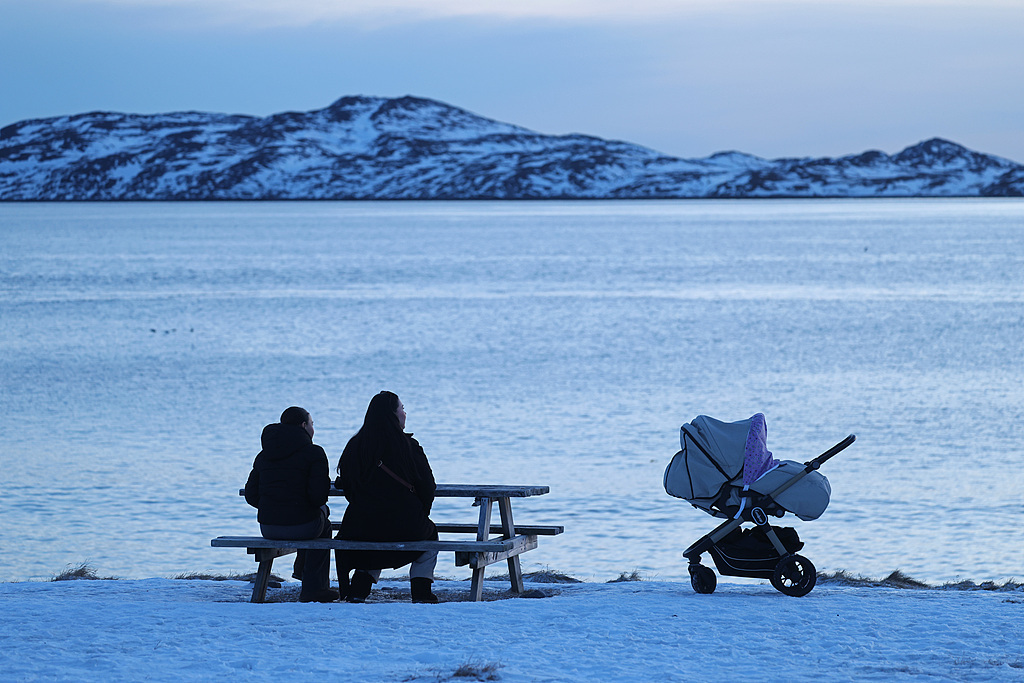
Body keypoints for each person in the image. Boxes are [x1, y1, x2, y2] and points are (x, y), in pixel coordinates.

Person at [336, 391, 439, 603]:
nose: (405, 413)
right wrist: (420, 512)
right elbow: (428, 487)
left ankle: (358, 591)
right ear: (393, 415)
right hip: (406, 524)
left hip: (360, 526)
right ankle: (421, 592)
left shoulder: (355, 446)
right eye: (402, 409)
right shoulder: (408, 446)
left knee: (373, 543)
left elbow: (349, 488)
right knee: (430, 538)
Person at [244, 406, 338, 603]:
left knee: (317, 516)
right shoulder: (314, 453)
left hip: (268, 528)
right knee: (324, 519)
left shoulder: (264, 454)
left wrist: (272, 506)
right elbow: (319, 497)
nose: (313, 428)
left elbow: (251, 494)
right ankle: (313, 588)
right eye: (312, 424)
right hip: (303, 526)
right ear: (304, 426)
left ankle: (303, 573)